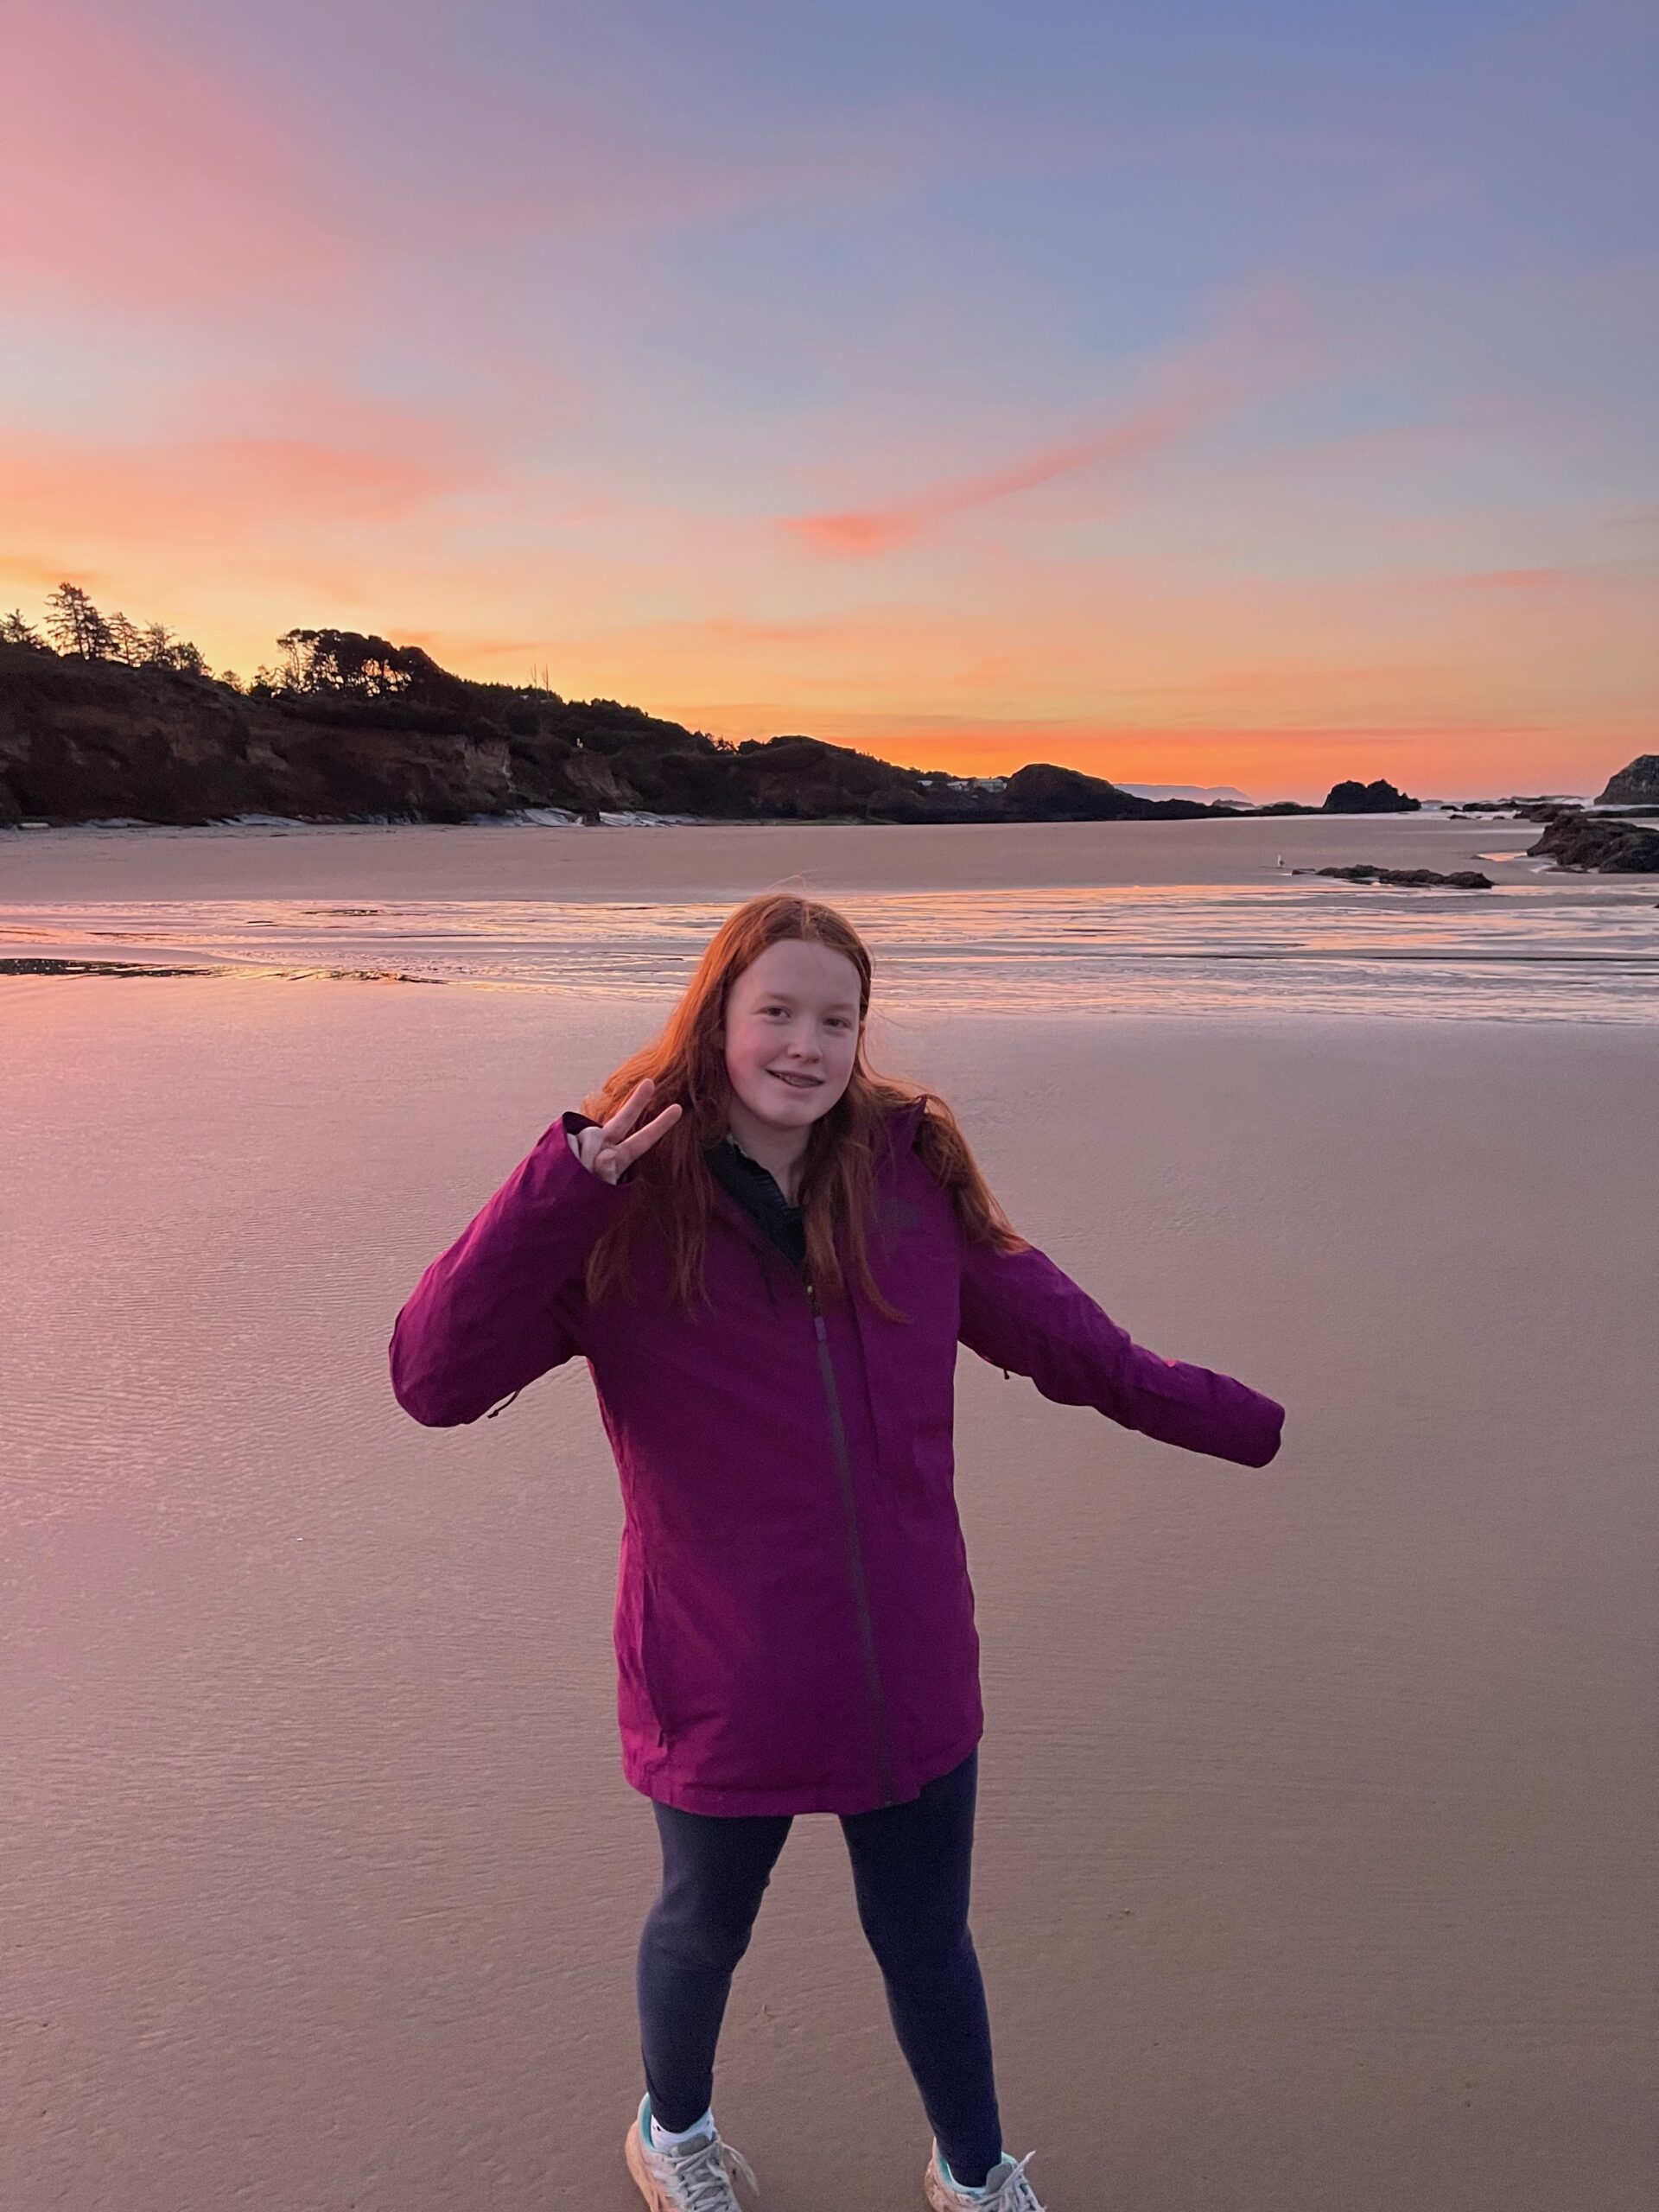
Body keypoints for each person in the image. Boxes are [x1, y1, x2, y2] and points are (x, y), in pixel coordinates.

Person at [390, 891, 1285, 2212]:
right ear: (718, 1018)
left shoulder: (910, 1188)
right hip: (721, 1660)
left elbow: (1078, 1350)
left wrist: (1251, 1424)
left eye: (837, 1021)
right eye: (778, 1014)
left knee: (929, 1943)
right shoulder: (624, 1214)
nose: (806, 1046)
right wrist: (561, 1188)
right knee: (704, 1925)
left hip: (908, 1660)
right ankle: (673, 2131)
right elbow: (432, 1378)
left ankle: (975, 2173)